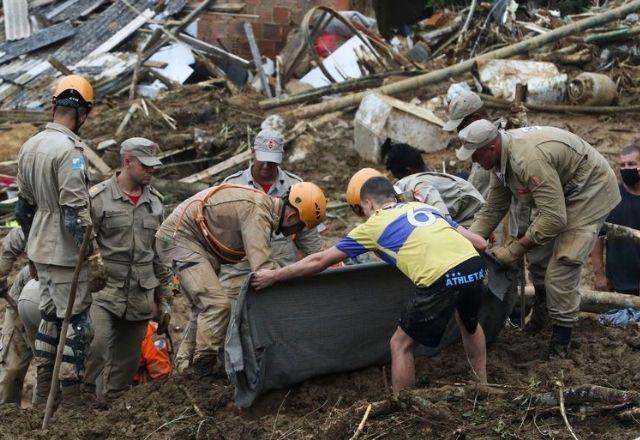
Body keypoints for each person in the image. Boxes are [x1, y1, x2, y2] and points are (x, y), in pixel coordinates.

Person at [252, 175, 489, 394]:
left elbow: (320, 260)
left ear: (368, 203)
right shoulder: (424, 207)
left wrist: (274, 276)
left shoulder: (372, 226)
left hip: (439, 277)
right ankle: (482, 384)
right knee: (468, 323)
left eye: (362, 209)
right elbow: (479, 243)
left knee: (400, 344)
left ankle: (405, 403)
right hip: (473, 266)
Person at [457, 120, 620, 357]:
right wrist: (468, 242)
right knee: (539, 256)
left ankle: (560, 342)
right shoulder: (500, 159)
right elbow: (494, 207)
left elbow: (554, 219)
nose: (473, 162)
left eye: (475, 155)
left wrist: (514, 250)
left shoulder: (528, 160)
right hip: (560, 191)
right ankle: (543, 313)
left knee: (563, 266)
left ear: (491, 148)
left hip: (589, 190)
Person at [174, 129, 323, 372]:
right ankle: (193, 370)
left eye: (272, 161)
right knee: (219, 320)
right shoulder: (231, 186)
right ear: (252, 153)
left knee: (277, 333)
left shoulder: (297, 189)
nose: (266, 166)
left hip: (278, 274)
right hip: (237, 273)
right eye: (262, 159)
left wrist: (327, 265)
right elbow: (212, 234)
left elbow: (311, 240)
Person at [155, 181, 326, 375]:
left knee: (204, 307)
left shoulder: (261, 208)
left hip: (188, 240)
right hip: (180, 239)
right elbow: (263, 270)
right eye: (300, 226)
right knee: (217, 305)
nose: (297, 232)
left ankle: (184, 368)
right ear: (292, 216)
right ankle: (202, 370)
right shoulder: (257, 211)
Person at [16, 74, 107, 404]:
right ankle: (70, 397)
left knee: (51, 317)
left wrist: (31, 250)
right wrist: (93, 256)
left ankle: (44, 389)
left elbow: (22, 209)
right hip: (67, 252)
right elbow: (74, 213)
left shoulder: (30, 146)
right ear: (83, 112)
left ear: (55, 106)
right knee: (77, 322)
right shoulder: (70, 151)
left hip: (41, 245)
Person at [83, 138, 173, 399]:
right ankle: (83, 399)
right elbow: (82, 246)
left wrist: (165, 298)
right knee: (96, 345)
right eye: (145, 165)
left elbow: (161, 255)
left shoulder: (156, 203)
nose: (151, 171)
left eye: (153, 166)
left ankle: (112, 405)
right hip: (105, 290)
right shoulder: (98, 199)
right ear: (127, 162)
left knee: (127, 360)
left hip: (140, 293)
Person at [384, 142, 484, 226]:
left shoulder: (416, 183)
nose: (399, 182)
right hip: (467, 214)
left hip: (471, 218)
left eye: (399, 178)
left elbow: (443, 220)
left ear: (408, 172)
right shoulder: (429, 177)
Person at [591, 145, 640, 295]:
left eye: (631, 164)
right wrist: (599, 274)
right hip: (617, 284)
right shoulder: (611, 197)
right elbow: (597, 237)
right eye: (622, 165)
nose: (626, 168)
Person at [0, 228, 31, 405]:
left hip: (68, 302)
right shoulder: (42, 216)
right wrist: (1, 272)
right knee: (11, 369)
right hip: (25, 296)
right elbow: (13, 240)